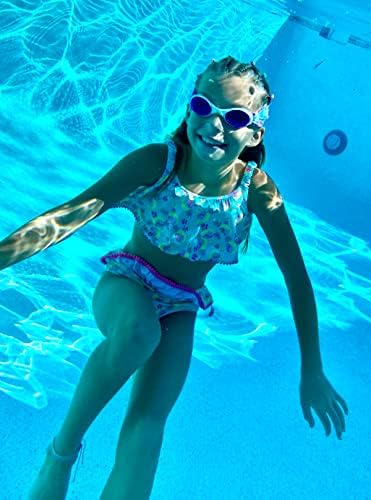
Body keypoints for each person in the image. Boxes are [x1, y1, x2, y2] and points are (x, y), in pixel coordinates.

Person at [0, 56, 348, 500]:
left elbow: (297, 279)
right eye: (204, 106)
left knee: (147, 431)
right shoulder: (157, 164)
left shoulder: (257, 190)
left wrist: (312, 368)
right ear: (189, 108)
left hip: (181, 304)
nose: (214, 124)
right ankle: (61, 454)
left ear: (255, 133)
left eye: (234, 117)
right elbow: (68, 216)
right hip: (126, 285)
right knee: (138, 333)